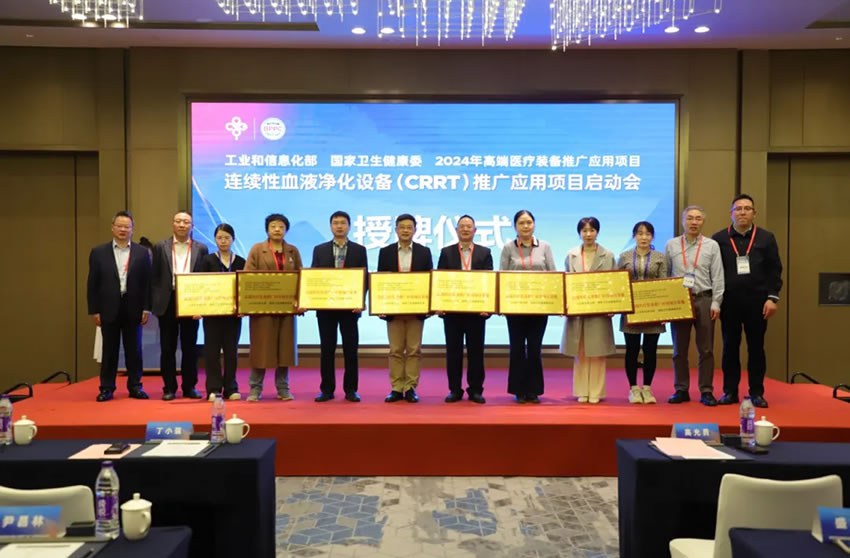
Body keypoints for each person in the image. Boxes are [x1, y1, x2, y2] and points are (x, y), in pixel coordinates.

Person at [712, 194, 782, 409]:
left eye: (747, 208)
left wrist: (772, 298)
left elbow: (775, 269)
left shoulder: (766, 238)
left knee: (756, 348)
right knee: (729, 347)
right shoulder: (719, 239)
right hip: (729, 303)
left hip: (758, 303)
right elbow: (713, 271)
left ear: (754, 213)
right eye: (738, 209)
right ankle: (730, 391)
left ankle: (757, 393)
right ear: (731, 213)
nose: (742, 212)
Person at [87, 210, 152, 402]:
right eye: (119, 226)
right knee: (109, 350)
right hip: (109, 308)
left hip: (134, 307)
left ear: (132, 229)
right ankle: (107, 388)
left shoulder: (142, 252)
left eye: (127, 227)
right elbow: (92, 283)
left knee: (134, 350)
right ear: (112, 228)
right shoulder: (98, 252)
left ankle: (135, 386)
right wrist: (94, 310)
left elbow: (147, 283)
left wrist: (146, 308)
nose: (123, 230)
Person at [665, 206, 725, 406]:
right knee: (679, 350)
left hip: (704, 299)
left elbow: (718, 275)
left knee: (706, 349)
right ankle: (681, 389)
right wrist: (666, 304)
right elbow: (666, 275)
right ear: (683, 221)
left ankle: (706, 390)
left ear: (703, 222)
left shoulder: (712, 245)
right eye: (690, 218)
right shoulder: (671, 245)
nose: (694, 222)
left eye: (698, 218)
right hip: (680, 301)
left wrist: (716, 302)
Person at [499, 209, 556, 404]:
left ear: (534, 225)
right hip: (515, 308)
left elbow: (553, 275)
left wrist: (555, 303)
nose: (525, 226)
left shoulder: (545, 246)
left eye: (529, 222)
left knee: (534, 348)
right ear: (515, 226)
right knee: (516, 348)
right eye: (521, 223)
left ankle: (534, 390)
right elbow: (502, 276)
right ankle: (518, 390)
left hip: (539, 308)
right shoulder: (508, 248)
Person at [310, 210, 368, 403]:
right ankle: (327, 389)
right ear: (330, 226)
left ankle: (351, 390)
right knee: (327, 350)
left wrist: (360, 301)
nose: (339, 226)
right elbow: (314, 278)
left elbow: (364, 278)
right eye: (336, 223)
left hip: (350, 309)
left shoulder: (359, 250)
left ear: (349, 226)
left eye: (343, 223)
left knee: (350, 350)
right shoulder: (320, 249)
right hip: (325, 309)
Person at [244, 213, 303, 401]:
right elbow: (247, 277)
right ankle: (255, 389)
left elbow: (301, 278)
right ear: (267, 229)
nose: (277, 229)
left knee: (284, 350)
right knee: (261, 349)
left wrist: (301, 302)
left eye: (281, 227)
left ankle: (283, 389)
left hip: (286, 308)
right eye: (273, 226)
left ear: (286, 230)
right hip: (262, 308)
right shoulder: (257, 249)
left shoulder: (292, 251)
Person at [151, 210, 209, 401]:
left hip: (190, 301)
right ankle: (169, 387)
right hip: (167, 300)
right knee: (167, 347)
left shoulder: (201, 248)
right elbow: (154, 277)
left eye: (186, 222)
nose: (182, 225)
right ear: (172, 224)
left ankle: (189, 387)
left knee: (189, 347)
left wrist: (201, 305)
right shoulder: (160, 246)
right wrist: (154, 302)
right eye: (178, 221)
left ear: (192, 226)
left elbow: (204, 279)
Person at [436, 215, 494, 404]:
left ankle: (476, 390)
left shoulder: (484, 253)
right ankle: (454, 389)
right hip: (452, 312)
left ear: (475, 230)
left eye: (469, 226)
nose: (465, 229)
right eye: (462, 226)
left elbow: (489, 282)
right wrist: (439, 305)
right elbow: (440, 281)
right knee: (453, 352)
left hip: (476, 312)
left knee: (476, 352)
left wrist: (488, 307)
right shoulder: (446, 252)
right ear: (456, 230)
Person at [377, 214, 433, 403]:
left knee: (414, 350)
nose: (405, 230)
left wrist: (429, 306)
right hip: (394, 310)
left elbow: (430, 281)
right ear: (396, 230)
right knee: (395, 350)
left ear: (415, 230)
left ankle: (410, 387)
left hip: (416, 310)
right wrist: (381, 306)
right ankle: (396, 387)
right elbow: (380, 281)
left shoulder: (424, 252)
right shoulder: (385, 252)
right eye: (402, 227)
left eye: (409, 227)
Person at [561, 217, 616, 404]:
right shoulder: (571, 255)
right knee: (581, 351)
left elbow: (614, 283)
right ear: (579, 233)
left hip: (599, 310)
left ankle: (596, 392)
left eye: (592, 230)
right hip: (578, 311)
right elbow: (565, 282)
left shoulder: (607, 255)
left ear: (597, 232)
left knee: (597, 351)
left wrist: (613, 305)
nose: (588, 234)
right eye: (584, 231)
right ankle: (581, 390)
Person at [617, 221, 667, 404]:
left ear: (652, 236)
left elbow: (664, 284)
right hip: (631, 311)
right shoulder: (624, 257)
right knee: (631, 350)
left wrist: (665, 312)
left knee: (650, 350)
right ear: (634, 236)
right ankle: (633, 389)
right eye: (640, 233)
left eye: (647, 234)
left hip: (653, 311)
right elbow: (619, 283)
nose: (644, 237)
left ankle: (647, 388)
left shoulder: (660, 257)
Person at [200, 223, 246, 401]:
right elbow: (200, 286)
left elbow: (245, 288)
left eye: (227, 237)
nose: (223, 241)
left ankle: (231, 387)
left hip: (233, 316)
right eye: (219, 238)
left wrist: (243, 307)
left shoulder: (241, 261)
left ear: (233, 239)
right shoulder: (207, 260)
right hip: (212, 315)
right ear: (215, 239)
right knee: (211, 353)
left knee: (231, 352)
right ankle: (213, 389)